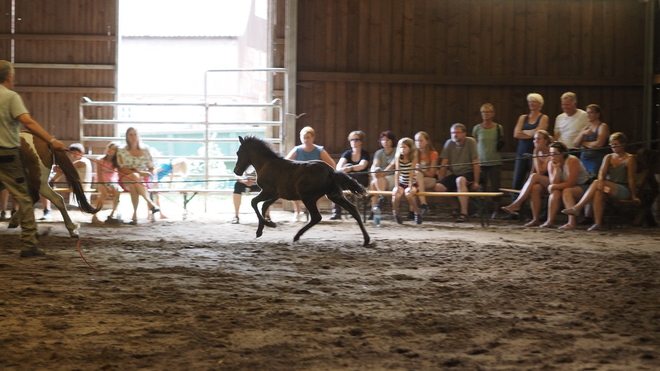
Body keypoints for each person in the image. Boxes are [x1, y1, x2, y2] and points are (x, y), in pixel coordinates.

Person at [0, 60, 66, 257]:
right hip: (7, 156)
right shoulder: (11, 97)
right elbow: (27, 121)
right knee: (24, 198)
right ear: (9, 77)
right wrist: (51, 140)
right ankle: (28, 245)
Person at [562, 132, 639, 231]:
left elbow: (631, 178)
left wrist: (634, 195)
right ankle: (597, 223)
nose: (613, 147)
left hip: (622, 189)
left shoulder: (629, 158)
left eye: (615, 144)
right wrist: (602, 180)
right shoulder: (608, 157)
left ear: (623, 144)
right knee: (598, 192)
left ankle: (578, 207)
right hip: (608, 188)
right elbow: (601, 172)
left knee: (596, 183)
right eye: (611, 145)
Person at [501, 130, 553, 226]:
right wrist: (528, 186)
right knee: (534, 188)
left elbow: (541, 171)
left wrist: (536, 153)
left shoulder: (551, 152)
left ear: (546, 141)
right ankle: (535, 219)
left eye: (539, 139)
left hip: (554, 181)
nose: (536, 141)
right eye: (534, 139)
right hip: (542, 182)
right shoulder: (537, 153)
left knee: (534, 177)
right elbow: (533, 171)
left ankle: (517, 203)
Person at [284, 126, 336, 221]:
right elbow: (285, 162)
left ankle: (315, 212)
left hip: (314, 177)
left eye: (308, 137)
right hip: (299, 177)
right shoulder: (297, 150)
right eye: (303, 137)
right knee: (289, 186)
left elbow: (332, 164)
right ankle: (298, 211)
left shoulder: (319, 150)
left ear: (313, 138)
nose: (306, 140)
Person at [434, 123, 480, 223]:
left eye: (457, 132)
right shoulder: (449, 143)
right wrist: (442, 180)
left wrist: (476, 182)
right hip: (456, 173)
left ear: (464, 133)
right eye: (452, 133)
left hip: (469, 172)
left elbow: (476, 162)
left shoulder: (470, 142)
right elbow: (444, 164)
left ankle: (464, 213)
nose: (455, 135)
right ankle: (456, 207)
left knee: (460, 180)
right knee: (438, 187)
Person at [540, 141, 590, 229]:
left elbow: (571, 183)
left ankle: (572, 222)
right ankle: (550, 221)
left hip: (584, 186)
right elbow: (554, 182)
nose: (552, 156)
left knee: (567, 191)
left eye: (555, 154)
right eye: (550, 154)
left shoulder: (572, 160)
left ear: (562, 154)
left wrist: (553, 187)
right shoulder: (551, 163)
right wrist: (556, 169)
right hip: (566, 186)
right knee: (555, 192)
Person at [117, 127, 160, 225]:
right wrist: (139, 173)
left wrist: (142, 174)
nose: (133, 137)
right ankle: (150, 203)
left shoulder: (146, 150)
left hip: (142, 180)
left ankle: (134, 215)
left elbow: (151, 167)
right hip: (126, 178)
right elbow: (122, 169)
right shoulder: (121, 150)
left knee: (134, 185)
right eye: (130, 134)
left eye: (135, 134)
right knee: (134, 176)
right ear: (127, 137)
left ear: (138, 136)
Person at [511, 93, 549, 196]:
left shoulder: (543, 117)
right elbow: (516, 133)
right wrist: (531, 133)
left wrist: (524, 132)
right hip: (521, 152)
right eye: (530, 101)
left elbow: (539, 133)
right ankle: (515, 207)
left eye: (534, 101)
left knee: (533, 181)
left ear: (540, 104)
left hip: (536, 153)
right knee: (517, 181)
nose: (531, 104)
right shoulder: (523, 117)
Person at [472, 103, 503, 219]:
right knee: (481, 187)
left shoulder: (498, 127)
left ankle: (496, 211)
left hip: (495, 161)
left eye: (488, 112)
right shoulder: (477, 128)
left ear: (493, 114)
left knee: (496, 187)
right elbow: (474, 145)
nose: (486, 114)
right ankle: (480, 210)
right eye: (484, 112)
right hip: (481, 162)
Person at [331, 130, 370, 220]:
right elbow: (339, 166)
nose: (354, 142)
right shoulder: (347, 153)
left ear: (361, 142)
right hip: (347, 180)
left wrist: (349, 168)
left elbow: (362, 166)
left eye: (356, 139)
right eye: (351, 140)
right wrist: (343, 169)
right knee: (334, 185)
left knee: (347, 172)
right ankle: (336, 212)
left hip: (361, 179)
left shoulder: (365, 154)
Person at [391, 137, 423, 224]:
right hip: (401, 182)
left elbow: (411, 173)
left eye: (404, 147)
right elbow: (397, 172)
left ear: (410, 148)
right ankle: (396, 213)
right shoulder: (398, 157)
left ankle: (417, 212)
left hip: (412, 182)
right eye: (400, 147)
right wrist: (397, 186)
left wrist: (410, 186)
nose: (402, 149)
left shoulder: (413, 157)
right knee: (395, 194)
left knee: (408, 194)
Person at [574, 104, 611, 176]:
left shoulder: (602, 126)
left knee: (592, 178)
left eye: (590, 112)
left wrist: (584, 143)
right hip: (584, 159)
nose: (588, 115)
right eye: (587, 113)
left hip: (596, 159)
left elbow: (599, 144)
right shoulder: (586, 128)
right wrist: (583, 133)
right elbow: (576, 144)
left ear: (597, 114)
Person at [368, 130, 396, 218]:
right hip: (381, 177)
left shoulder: (396, 151)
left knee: (375, 182)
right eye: (383, 140)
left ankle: (375, 207)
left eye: (387, 140)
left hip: (393, 176)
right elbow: (375, 165)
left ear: (392, 141)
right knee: (374, 182)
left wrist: (382, 174)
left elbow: (393, 165)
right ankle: (377, 204)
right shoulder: (379, 152)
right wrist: (374, 174)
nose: (385, 142)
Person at [92, 141, 121, 224]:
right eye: (109, 148)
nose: (110, 150)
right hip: (101, 182)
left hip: (111, 182)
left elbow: (119, 173)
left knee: (117, 192)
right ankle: (95, 214)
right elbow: (99, 174)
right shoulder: (100, 160)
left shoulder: (116, 163)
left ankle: (112, 214)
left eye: (113, 149)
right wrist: (104, 186)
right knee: (103, 193)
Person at [414, 131, 438, 216]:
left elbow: (432, 174)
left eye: (421, 141)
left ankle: (418, 206)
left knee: (418, 176)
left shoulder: (433, 154)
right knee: (415, 182)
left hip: (430, 179)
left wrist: (421, 170)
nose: (418, 143)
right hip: (416, 180)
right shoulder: (414, 154)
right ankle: (421, 206)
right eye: (416, 141)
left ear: (427, 141)